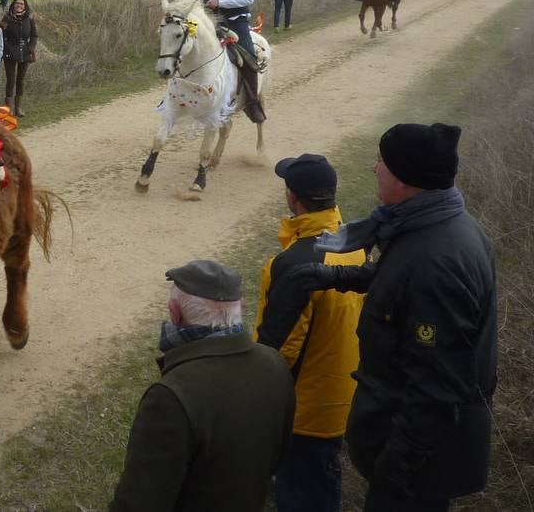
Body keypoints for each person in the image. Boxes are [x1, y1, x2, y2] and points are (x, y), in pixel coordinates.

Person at [290, 123, 497, 511]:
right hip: (419, 456)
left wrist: (394, 476)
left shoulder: (437, 264)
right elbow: (401, 274)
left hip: (420, 469)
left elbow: (435, 391)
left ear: (406, 177)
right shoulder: (436, 224)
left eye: (381, 161)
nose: (374, 169)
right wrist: (340, 276)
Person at [109, 260, 295, 512]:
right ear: (240, 307)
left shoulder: (170, 398)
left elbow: (138, 503)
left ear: (174, 312)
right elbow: (277, 458)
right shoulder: (274, 364)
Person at [254, 154, 365, 512]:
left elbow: (279, 351)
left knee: (306, 495)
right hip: (345, 395)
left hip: (305, 413)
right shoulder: (355, 246)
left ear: (292, 196)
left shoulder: (291, 264)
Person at [154, 0, 265, 124]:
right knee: (184, 47)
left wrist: (221, 1)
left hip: (234, 20)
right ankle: (178, 95)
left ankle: (252, 103)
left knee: (248, 57)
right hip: (207, 19)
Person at [1, 0, 37, 117]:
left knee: (20, 81)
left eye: (21, 4)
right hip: (10, 52)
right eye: (17, 3)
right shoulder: (7, 18)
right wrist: (7, 47)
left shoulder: (29, 19)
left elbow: (34, 35)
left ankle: (18, 108)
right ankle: (8, 109)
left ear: (25, 6)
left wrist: (30, 48)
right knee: (10, 81)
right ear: (13, 5)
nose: (19, 5)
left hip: (24, 52)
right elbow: (1, 35)